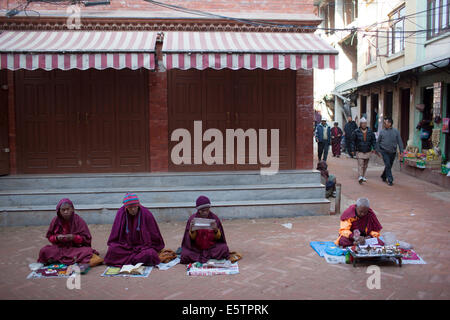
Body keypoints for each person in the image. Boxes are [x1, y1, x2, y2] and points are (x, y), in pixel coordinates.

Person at [38, 198, 103, 271]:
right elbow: (50, 237)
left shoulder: (78, 220)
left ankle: (57, 260)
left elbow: (86, 238)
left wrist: (74, 237)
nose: (66, 212)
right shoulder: (55, 220)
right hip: (60, 248)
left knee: (88, 251)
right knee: (44, 250)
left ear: (72, 209)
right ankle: (74, 261)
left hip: (75, 248)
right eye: (63, 210)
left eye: (68, 209)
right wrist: (57, 238)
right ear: (59, 211)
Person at [104, 193, 165, 266]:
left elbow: (155, 235)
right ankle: (137, 260)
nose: (133, 210)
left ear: (138, 205)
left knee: (150, 253)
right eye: (130, 208)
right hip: (125, 247)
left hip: (143, 247)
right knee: (112, 250)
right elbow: (115, 235)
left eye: (135, 207)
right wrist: (123, 245)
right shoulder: (121, 213)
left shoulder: (146, 213)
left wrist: (147, 247)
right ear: (126, 207)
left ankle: (127, 260)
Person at [180, 196, 229, 264]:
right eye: (202, 211)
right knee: (185, 254)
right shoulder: (192, 219)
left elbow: (219, 238)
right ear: (198, 210)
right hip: (196, 249)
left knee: (224, 249)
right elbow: (190, 240)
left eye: (207, 210)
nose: (205, 213)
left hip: (211, 248)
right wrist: (192, 230)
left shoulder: (214, 218)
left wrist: (215, 230)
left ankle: (202, 258)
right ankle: (208, 258)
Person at [376, 117, 404, 186]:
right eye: (384, 123)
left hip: (393, 152)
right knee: (388, 164)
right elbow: (378, 142)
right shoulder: (382, 131)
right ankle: (390, 180)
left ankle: (383, 176)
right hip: (384, 151)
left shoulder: (396, 131)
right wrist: (378, 151)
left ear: (390, 123)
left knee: (389, 165)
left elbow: (399, 141)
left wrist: (401, 151)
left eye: (386, 123)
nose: (384, 124)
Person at [350, 117, 376, 184]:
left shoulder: (370, 132)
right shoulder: (356, 132)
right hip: (360, 150)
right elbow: (352, 141)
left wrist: (374, 148)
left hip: (367, 150)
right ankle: (360, 176)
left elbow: (373, 140)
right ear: (360, 124)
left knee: (365, 165)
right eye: (362, 123)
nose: (364, 125)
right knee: (360, 164)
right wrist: (352, 150)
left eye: (365, 123)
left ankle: (363, 175)